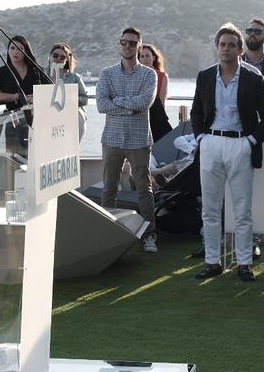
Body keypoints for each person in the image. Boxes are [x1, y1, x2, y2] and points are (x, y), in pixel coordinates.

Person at [191, 24, 264, 282]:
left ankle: (243, 264)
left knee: (241, 210)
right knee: (209, 209)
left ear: (240, 49)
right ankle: (212, 262)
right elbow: (196, 112)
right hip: (211, 145)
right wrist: (201, 139)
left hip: (240, 145)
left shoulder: (253, 77)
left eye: (232, 45)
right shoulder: (205, 76)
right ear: (217, 47)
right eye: (222, 44)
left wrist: (250, 141)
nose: (226, 48)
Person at [96, 27, 159, 253]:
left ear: (139, 46)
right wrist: (128, 107)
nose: (128, 46)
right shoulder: (106, 74)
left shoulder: (149, 75)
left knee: (144, 188)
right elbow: (101, 105)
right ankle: (104, 233)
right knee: (109, 188)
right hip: (112, 139)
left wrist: (118, 102)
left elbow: (145, 102)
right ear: (119, 44)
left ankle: (149, 235)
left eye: (133, 43)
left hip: (139, 139)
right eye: (124, 42)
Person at [0, 34, 50, 149]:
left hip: (37, 120)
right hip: (13, 120)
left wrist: (38, 97)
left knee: (37, 155)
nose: (15, 52)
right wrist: (20, 97)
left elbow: (50, 91)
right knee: (14, 160)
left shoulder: (37, 71)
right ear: (8, 51)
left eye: (20, 49)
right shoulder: (2, 72)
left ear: (26, 51)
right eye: (12, 48)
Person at [48, 41, 90, 144]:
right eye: (55, 55)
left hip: (71, 114)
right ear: (50, 56)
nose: (58, 59)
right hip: (48, 113)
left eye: (62, 57)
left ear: (66, 60)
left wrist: (70, 100)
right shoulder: (40, 75)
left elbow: (85, 99)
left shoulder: (75, 78)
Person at [138, 43, 173, 141]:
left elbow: (161, 102)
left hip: (156, 115)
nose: (145, 59)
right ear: (139, 59)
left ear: (153, 57)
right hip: (139, 115)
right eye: (142, 56)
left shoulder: (162, 76)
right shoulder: (134, 76)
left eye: (148, 56)